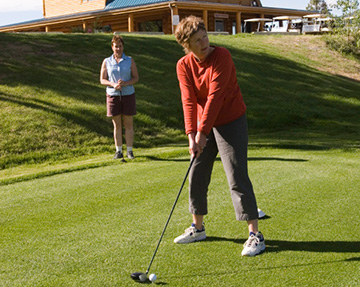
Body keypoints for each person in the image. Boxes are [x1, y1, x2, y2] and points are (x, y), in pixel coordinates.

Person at [174, 16, 265, 256]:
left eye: (205, 37)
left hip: (231, 120)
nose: (204, 43)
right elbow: (188, 101)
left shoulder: (222, 56)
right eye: (197, 41)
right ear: (187, 45)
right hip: (204, 123)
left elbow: (215, 97)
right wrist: (191, 136)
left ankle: (255, 234)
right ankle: (198, 227)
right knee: (197, 172)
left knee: (236, 174)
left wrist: (202, 133)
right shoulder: (183, 65)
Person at [100, 35, 139, 161]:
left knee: (128, 124)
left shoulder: (129, 60)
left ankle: (129, 151)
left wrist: (126, 83)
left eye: (120, 46)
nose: (118, 49)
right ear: (112, 47)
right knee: (117, 125)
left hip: (128, 94)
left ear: (123, 47)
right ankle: (118, 151)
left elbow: (136, 78)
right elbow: (102, 79)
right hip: (113, 95)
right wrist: (113, 84)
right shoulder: (107, 61)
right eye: (116, 46)